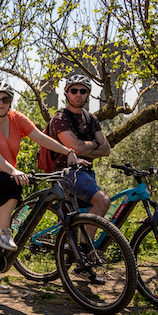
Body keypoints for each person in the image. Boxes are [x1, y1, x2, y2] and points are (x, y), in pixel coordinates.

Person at [0, 81, 83, 293]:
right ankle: (4, 233)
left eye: (5, 99)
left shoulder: (16, 118)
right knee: (8, 192)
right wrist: (13, 171)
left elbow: (41, 138)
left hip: (2, 170)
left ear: (10, 101)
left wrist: (68, 152)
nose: (1, 103)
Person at [48, 74, 111, 244]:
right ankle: (85, 251)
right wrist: (92, 144)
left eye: (83, 91)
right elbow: (76, 148)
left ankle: (80, 258)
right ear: (66, 93)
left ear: (88, 94)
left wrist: (84, 147)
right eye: (73, 90)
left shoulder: (92, 118)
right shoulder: (60, 118)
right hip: (67, 173)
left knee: (86, 218)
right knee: (103, 201)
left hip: (87, 172)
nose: (78, 94)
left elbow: (106, 150)